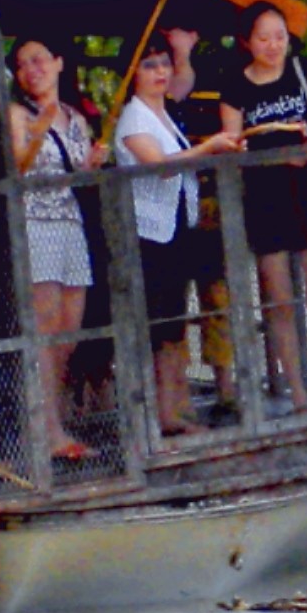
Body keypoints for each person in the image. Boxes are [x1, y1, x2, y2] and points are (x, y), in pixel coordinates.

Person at [204, 1, 307, 414]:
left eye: (280, 36)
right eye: (263, 37)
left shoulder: (304, 72)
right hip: (264, 194)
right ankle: (296, 392)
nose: (273, 45)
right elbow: (233, 143)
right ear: (247, 41)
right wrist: (279, 155)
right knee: (279, 299)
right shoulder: (236, 84)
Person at [109, 34, 219, 440]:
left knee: (174, 323)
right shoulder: (132, 119)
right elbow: (159, 165)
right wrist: (209, 149)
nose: (159, 73)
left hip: (177, 227)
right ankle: (159, 414)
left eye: (163, 64)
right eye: (149, 65)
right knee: (156, 325)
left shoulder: (165, 114)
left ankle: (176, 406)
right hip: (148, 233)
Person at [4, 35, 102, 465]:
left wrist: (91, 166)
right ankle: (47, 430)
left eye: (40, 59)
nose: (33, 69)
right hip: (35, 222)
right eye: (24, 64)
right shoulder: (17, 113)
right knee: (44, 329)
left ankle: (54, 416)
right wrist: (37, 130)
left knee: (68, 329)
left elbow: (75, 174)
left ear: (59, 63)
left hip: (70, 223)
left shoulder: (76, 118)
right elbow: (16, 166)